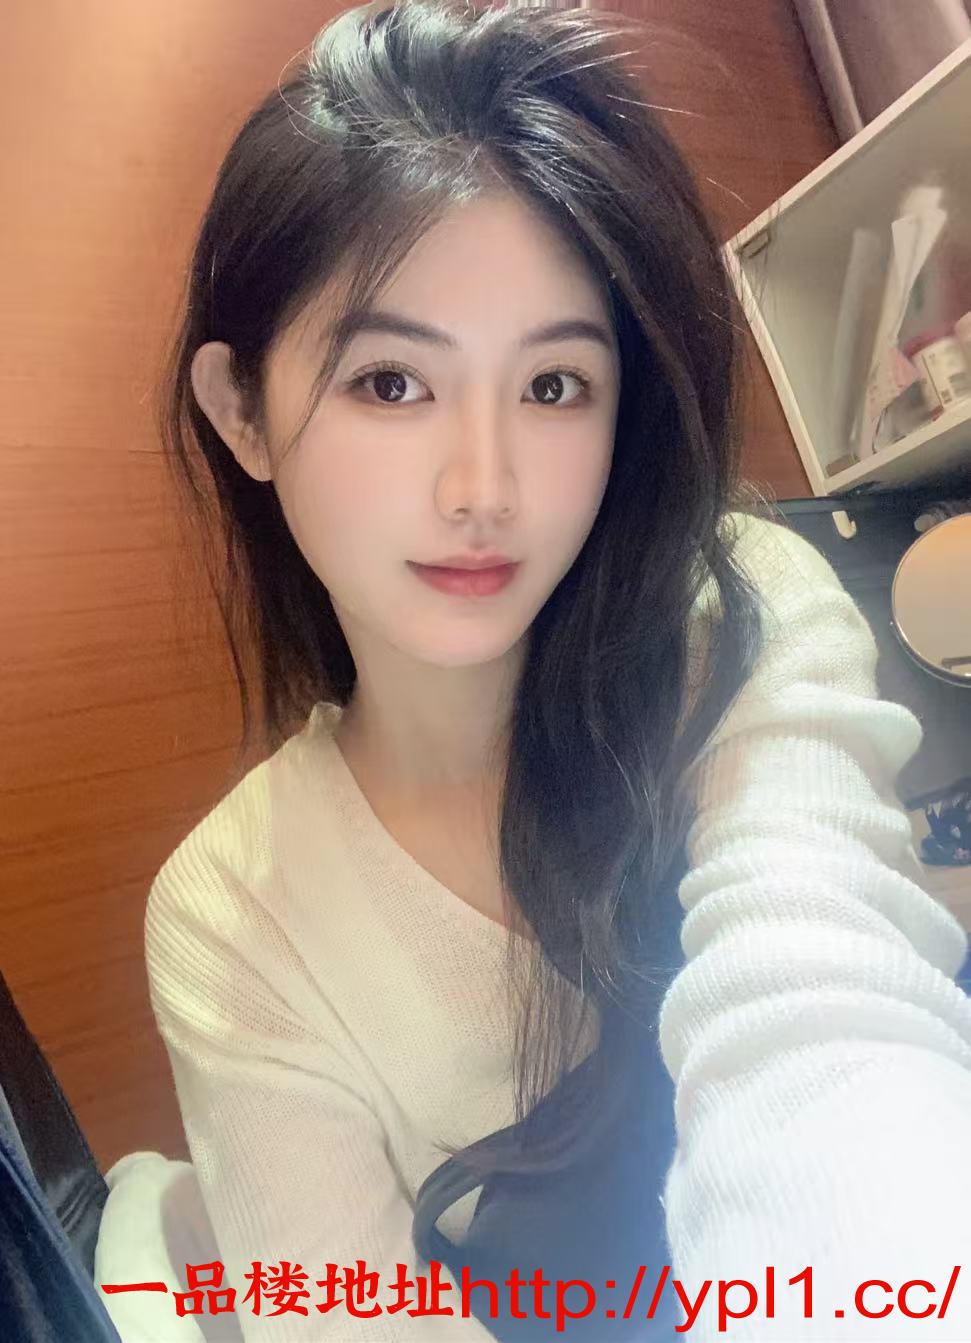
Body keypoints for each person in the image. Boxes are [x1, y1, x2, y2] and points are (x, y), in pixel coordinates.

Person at [109, 1, 971, 1338]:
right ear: (245, 414)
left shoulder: (734, 616)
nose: (485, 487)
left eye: (556, 385)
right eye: (391, 383)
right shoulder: (234, 919)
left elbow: (817, 1014)